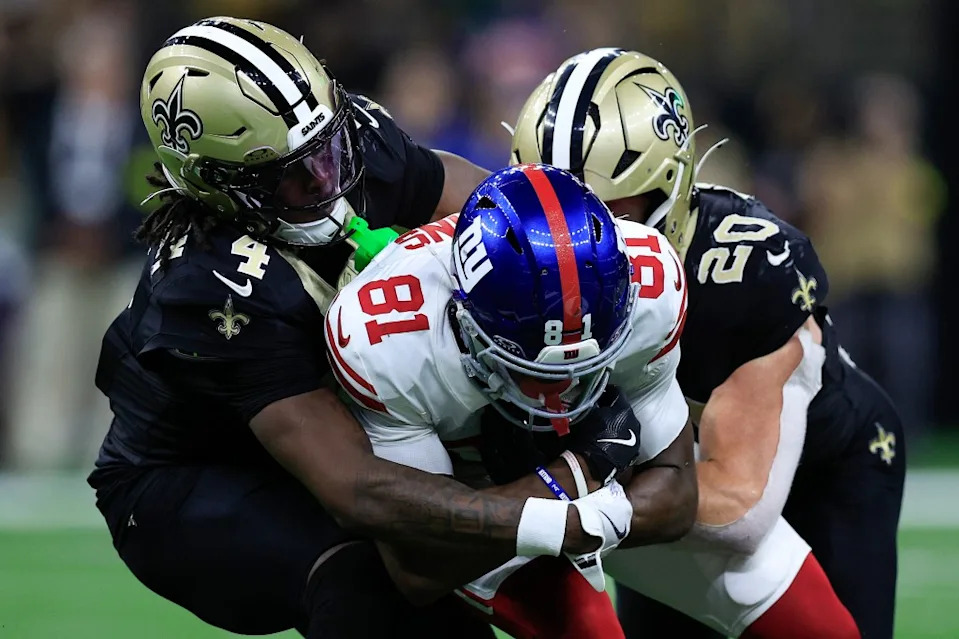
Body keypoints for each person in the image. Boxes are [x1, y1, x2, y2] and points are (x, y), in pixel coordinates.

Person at [88, 18, 634, 639]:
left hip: (332, 420)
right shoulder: (210, 287)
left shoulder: (347, 138)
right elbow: (357, 491)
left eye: (327, 152)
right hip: (199, 474)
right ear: (217, 185)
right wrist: (552, 499)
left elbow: (493, 215)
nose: (326, 182)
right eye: (291, 175)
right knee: (370, 587)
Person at [511, 47, 903, 638]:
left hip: (817, 474)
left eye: (604, 213)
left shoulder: (747, 273)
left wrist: (559, 504)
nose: (574, 242)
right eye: (553, 215)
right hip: (657, 484)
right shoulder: (508, 256)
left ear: (667, 189)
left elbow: (740, 504)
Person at [325, 162, 699, 638]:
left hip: (505, 501)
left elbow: (678, 497)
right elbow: (421, 568)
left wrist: (584, 518)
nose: (561, 395)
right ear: (464, 317)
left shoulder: (651, 289)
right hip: (460, 471)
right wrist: (576, 477)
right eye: (530, 369)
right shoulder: (391, 341)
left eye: (584, 366)